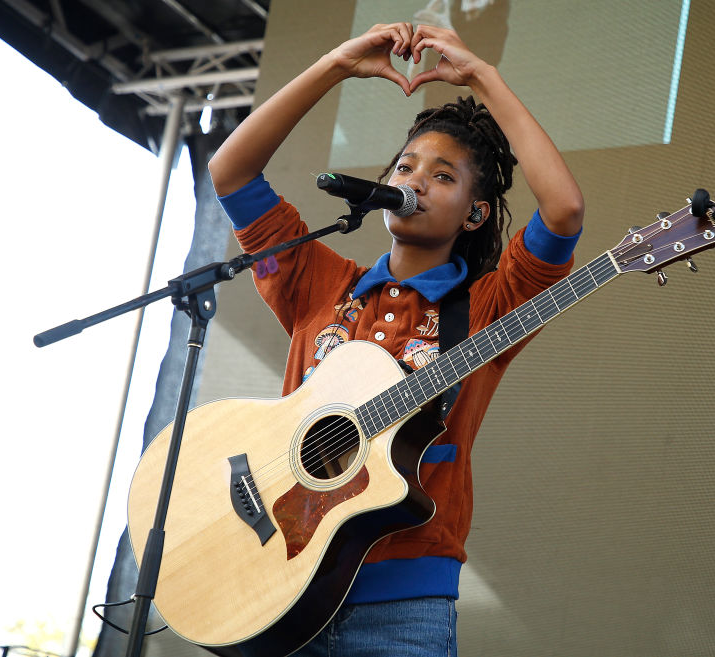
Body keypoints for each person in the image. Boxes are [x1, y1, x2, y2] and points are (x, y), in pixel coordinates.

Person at [208, 22, 585, 657]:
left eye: (443, 176)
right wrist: (335, 64)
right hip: (277, 581)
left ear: (476, 212)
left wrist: (483, 77)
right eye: (405, 167)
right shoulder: (319, 283)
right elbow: (231, 172)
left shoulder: (492, 306)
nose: (415, 180)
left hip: (403, 610)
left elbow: (564, 212)